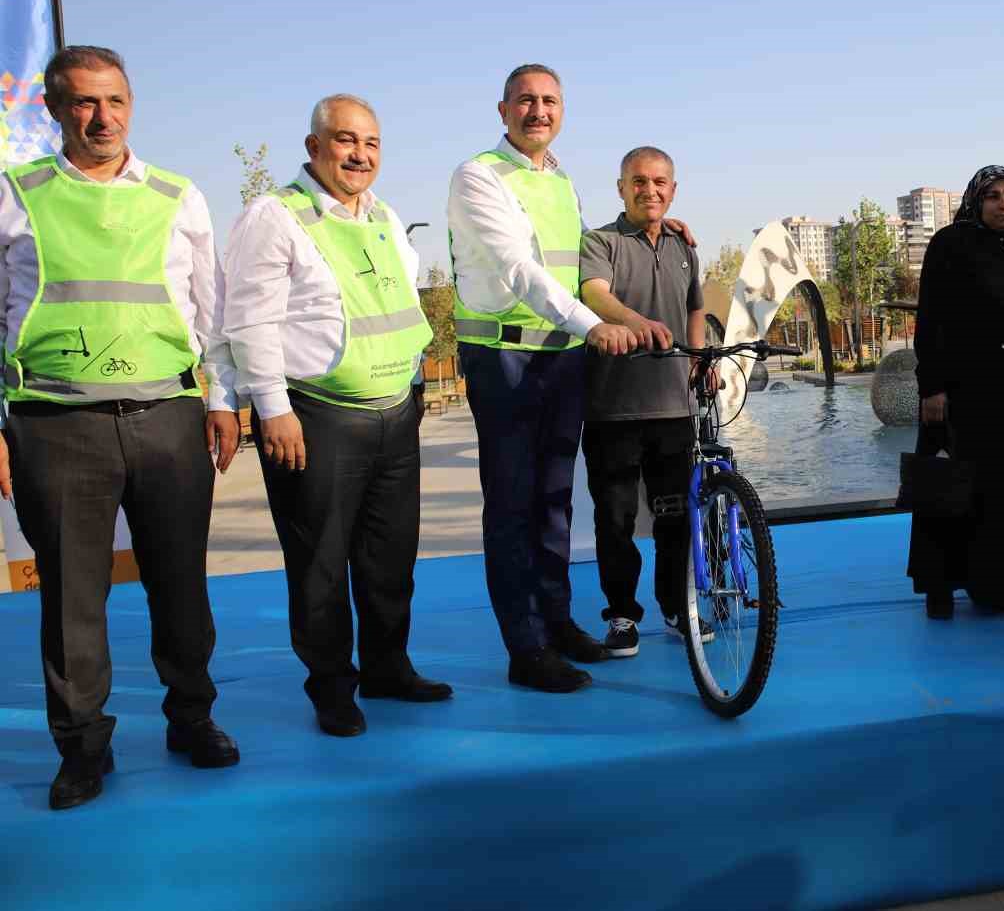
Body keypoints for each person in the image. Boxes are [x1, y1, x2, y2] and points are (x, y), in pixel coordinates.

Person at [0, 46, 241, 810]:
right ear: (53, 109)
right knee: (72, 597)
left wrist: (221, 398)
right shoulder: (15, 196)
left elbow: (213, 311)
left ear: (131, 103)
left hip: (167, 417)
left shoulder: (178, 196)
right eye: (82, 103)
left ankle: (192, 719)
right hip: (54, 422)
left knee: (180, 584)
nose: (101, 118)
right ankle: (81, 748)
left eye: (114, 101)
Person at [224, 95, 451, 738]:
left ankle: (387, 668)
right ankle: (332, 686)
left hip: (393, 415)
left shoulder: (383, 217)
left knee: (389, 556)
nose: (360, 155)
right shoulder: (275, 217)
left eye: (372, 143)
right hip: (314, 416)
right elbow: (248, 320)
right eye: (346, 141)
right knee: (320, 560)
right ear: (313, 146)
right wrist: (272, 408)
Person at [447, 64, 638, 693]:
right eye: (525, 100)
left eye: (550, 101)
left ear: (563, 111)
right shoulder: (478, 175)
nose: (538, 111)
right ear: (502, 110)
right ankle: (524, 648)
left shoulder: (561, 182)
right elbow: (521, 269)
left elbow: (581, 258)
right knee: (512, 504)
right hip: (505, 359)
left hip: (561, 360)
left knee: (556, 502)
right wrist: (592, 327)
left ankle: (557, 623)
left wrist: (658, 229)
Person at [578, 146, 719, 656]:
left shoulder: (685, 245)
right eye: (638, 181)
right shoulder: (600, 241)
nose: (650, 190)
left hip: (673, 410)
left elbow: (695, 309)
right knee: (614, 521)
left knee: (675, 518)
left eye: (660, 182)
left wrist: (702, 359)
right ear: (621, 187)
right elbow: (594, 295)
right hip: (612, 411)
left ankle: (677, 609)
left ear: (673, 189)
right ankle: (621, 616)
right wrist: (636, 323)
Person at [909, 165, 1004, 619]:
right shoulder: (951, 244)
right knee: (952, 486)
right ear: (977, 200)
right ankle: (940, 584)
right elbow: (931, 316)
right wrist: (931, 387)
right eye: (993, 196)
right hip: (964, 388)